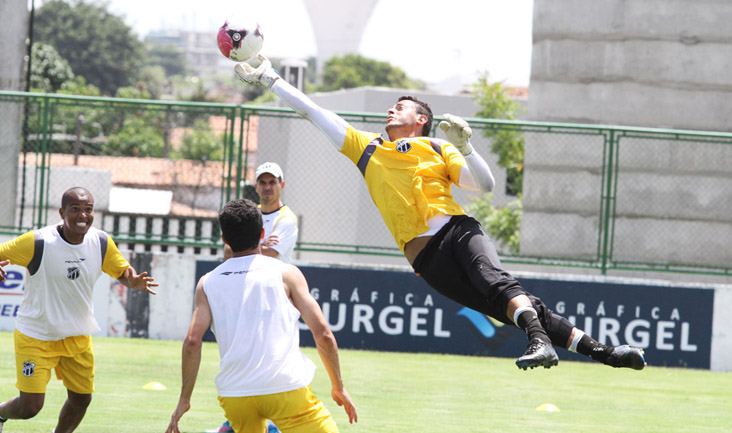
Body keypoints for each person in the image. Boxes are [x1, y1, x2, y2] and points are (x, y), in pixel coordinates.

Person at [233, 55, 647, 372]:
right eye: (392, 106)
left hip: (457, 230)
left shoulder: (437, 147)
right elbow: (313, 111)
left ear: (421, 120)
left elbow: (484, 185)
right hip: (428, 263)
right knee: (510, 304)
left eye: (401, 107)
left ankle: (541, 342)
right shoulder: (367, 149)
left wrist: (466, 147)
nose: (392, 110)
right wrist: (271, 79)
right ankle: (607, 354)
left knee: (494, 281)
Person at [166, 198, 357, 433]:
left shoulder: (207, 283)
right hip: (285, 389)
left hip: (235, 394)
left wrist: (184, 399)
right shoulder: (287, 274)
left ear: (225, 239)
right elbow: (323, 334)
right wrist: (338, 386)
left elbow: (192, 342)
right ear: (262, 232)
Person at [0, 187, 158, 433]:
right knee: (30, 408)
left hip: (76, 335)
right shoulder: (38, 242)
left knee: (82, 399)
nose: (83, 215)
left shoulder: (101, 242)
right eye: (75, 209)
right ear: (62, 213)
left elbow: (123, 273)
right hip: (36, 335)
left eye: (88, 209)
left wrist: (133, 282)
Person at [216, 162, 297, 432]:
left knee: (271, 358)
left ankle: (259, 424)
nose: (267, 187)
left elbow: (252, 253)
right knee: (243, 354)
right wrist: (257, 246)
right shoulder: (250, 216)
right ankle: (238, 421)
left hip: (273, 296)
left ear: (281, 185)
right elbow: (233, 251)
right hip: (244, 292)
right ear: (256, 187)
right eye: (262, 182)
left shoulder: (287, 219)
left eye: (272, 182)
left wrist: (246, 248)